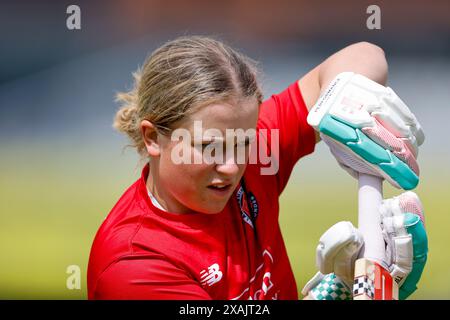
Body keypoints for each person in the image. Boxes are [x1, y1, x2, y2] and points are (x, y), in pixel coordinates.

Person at [87, 36, 427, 300]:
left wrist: (346, 108)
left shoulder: (254, 154)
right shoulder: (133, 266)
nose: (234, 167)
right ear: (153, 138)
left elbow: (366, 56)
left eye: (243, 141)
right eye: (210, 147)